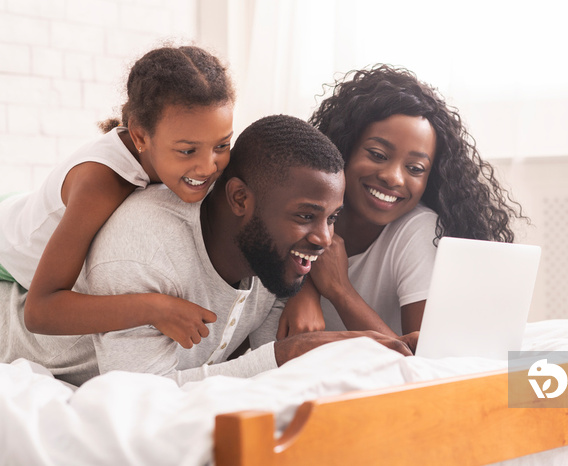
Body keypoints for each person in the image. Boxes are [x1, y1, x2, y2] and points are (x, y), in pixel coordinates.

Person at [0, 115, 416, 387]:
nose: (325, 239)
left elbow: (276, 370)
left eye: (332, 218)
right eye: (307, 216)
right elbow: (140, 393)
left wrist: (363, 348)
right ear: (239, 199)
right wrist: (287, 354)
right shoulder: (143, 246)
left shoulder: (275, 258)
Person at [0, 45, 236, 349]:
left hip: (27, 203)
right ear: (139, 136)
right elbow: (40, 312)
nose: (208, 167)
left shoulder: (197, 153)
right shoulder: (99, 184)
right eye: (187, 151)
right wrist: (155, 308)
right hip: (8, 238)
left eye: (222, 145)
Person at [279, 65, 526, 339]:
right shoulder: (297, 212)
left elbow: (423, 361)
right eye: (378, 154)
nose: (393, 178)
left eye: (416, 168)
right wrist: (303, 289)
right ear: (342, 148)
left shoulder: (418, 230)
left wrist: (340, 291)